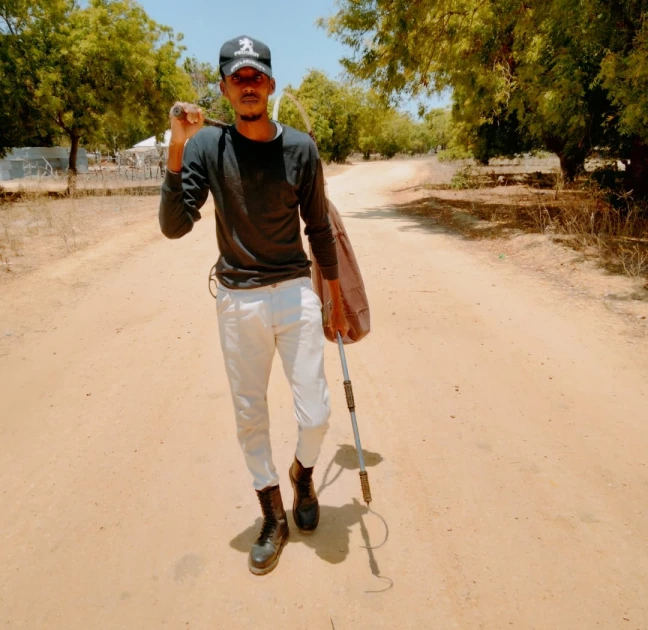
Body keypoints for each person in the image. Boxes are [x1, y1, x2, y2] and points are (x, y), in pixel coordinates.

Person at [158, 35, 349, 576]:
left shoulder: (300, 150)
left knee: (316, 413)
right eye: (237, 78)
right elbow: (174, 226)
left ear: (270, 85)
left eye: (256, 77)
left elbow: (317, 228)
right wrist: (177, 144)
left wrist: (331, 293)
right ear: (223, 87)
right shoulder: (204, 148)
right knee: (250, 416)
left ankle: (302, 473)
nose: (247, 85)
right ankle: (271, 514)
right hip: (238, 300)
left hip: (294, 291)